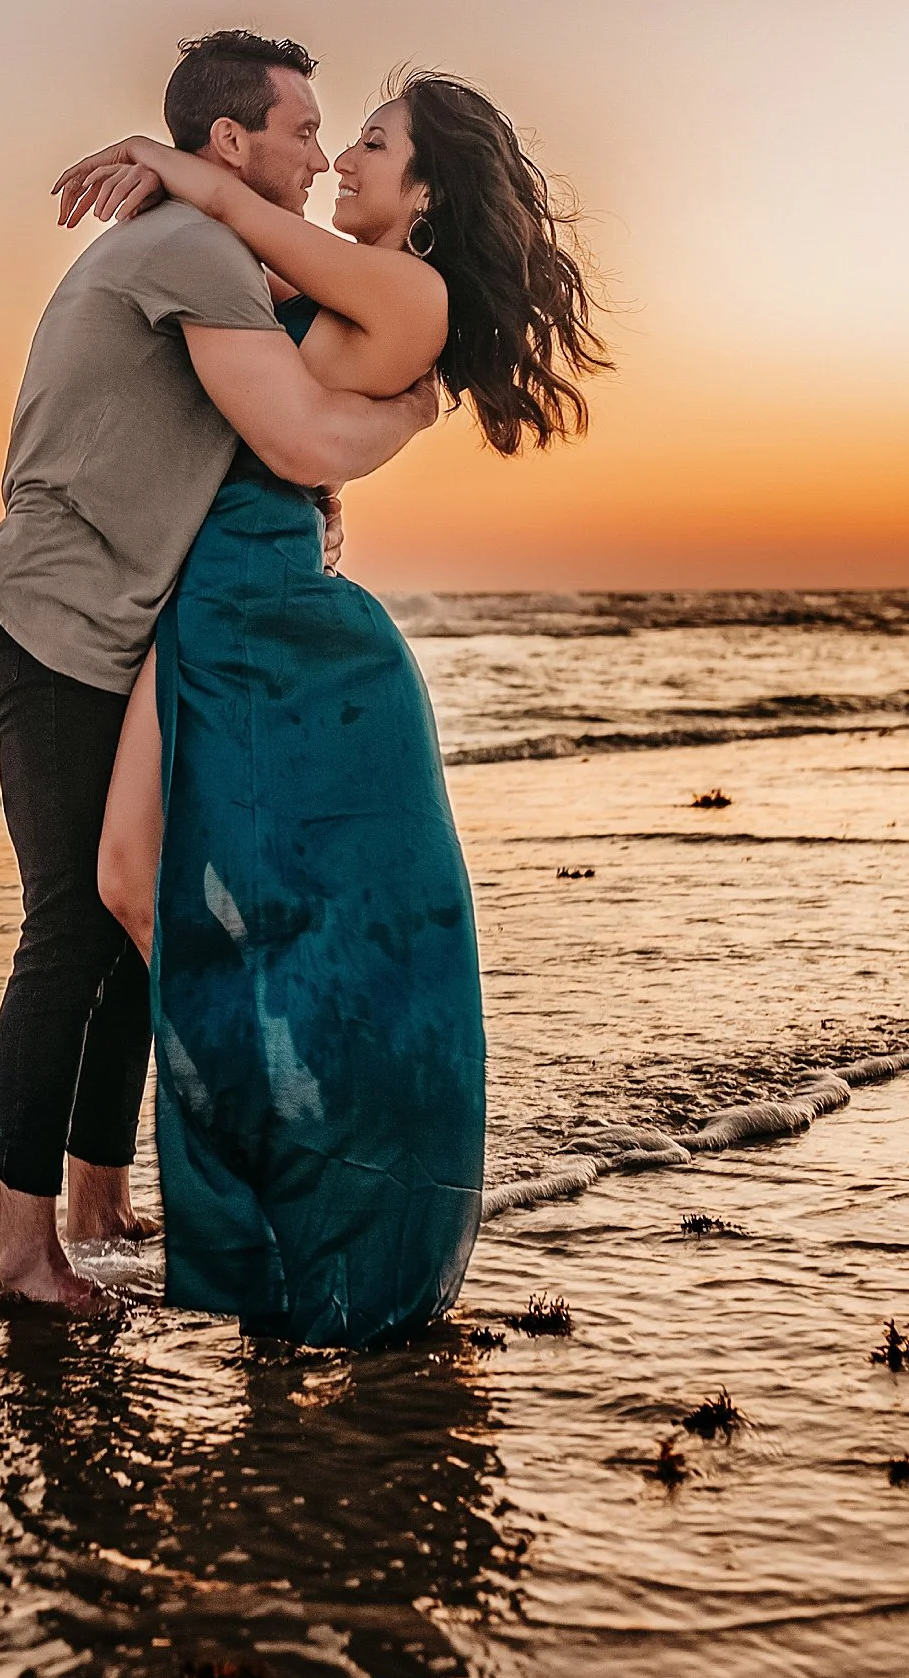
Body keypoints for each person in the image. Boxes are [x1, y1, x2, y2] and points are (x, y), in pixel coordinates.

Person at [53, 69, 608, 1346]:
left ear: (425, 191)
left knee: (249, 916)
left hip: (282, 628)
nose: (346, 158)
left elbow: (252, 237)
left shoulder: (406, 285)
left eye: (373, 143)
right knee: (133, 879)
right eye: (341, 136)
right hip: (214, 603)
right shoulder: (322, 285)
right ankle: (272, 1196)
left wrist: (167, 151)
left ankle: (303, 1225)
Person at [0, 32, 440, 1316]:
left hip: (107, 620)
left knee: (133, 920)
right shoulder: (194, 247)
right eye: (300, 127)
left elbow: (268, 428)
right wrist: (401, 419)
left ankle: (98, 1198)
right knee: (73, 921)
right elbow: (286, 427)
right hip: (61, 620)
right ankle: (22, 1255)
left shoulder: (214, 245)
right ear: (228, 144)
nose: (317, 147)